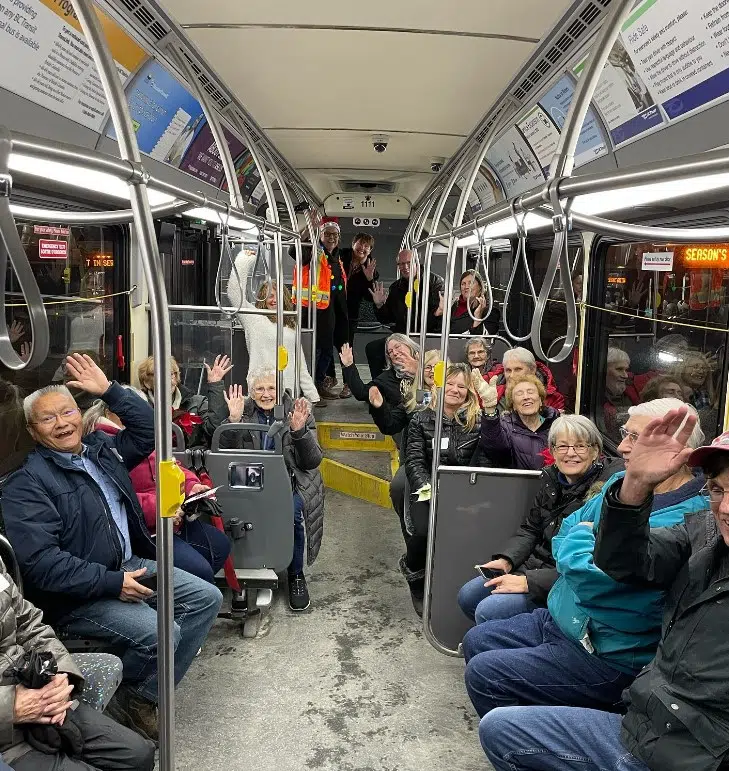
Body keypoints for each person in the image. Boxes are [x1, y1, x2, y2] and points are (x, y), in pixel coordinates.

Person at [479, 406, 729, 771]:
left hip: (666, 725)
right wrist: (637, 484)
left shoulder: (691, 517)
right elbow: (610, 553)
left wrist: (566, 557)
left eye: (634, 438)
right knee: (484, 645)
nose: (725, 507)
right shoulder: (702, 533)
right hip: (646, 708)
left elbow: (598, 580)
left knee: (488, 664)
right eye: (718, 490)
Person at [2, 354, 223, 742]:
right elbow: (41, 564)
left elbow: (151, 429)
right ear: (33, 432)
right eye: (48, 419)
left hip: (128, 563)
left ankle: (140, 695)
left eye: (67, 412)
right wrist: (112, 582)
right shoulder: (27, 484)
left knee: (206, 598)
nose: (62, 423)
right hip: (78, 595)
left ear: (80, 415)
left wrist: (109, 390)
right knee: (162, 632)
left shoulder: (100, 451)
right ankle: (136, 698)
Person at [458, 415, 623, 624]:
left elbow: (593, 563)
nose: (570, 453)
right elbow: (531, 528)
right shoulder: (551, 481)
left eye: (580, 446)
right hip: (534, 567)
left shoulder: (606, 493)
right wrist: (507, 560)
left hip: (563, 580)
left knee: (489, 610)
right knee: (468, 596)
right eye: (562, 446)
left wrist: (530, 582)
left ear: (595, 452)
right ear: (552, 451)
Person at [0, 560, 155, 771]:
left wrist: (58, 674)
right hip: (8, 736)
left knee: (138, 755)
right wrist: (11, 707)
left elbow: (29, 624)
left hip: (34, 688)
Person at [82, 393, 231, 584]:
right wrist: (163, 507)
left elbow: (174, 467)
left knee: (219, 546)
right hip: (144, 532)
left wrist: (191, 487)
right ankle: (183, 594)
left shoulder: (143, 437)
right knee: (200, 572)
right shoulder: (102, 445)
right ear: (111, 412)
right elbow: (116, 497)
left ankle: (182, 590)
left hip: (171, 520)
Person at [218, 371, 324, 612]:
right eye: (259, 389)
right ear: (251, 392)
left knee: (292, 514)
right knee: (236, 516)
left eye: (271, 388)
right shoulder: (241, 410)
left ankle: (295, 574)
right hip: (249, 482)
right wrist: (233, 422)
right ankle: (244, 570)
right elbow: (224, 452)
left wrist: (299, 432)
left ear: (281, 390)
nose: (266, 394)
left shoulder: (298, 410)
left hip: (290, 481)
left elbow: (312, 461)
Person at [404, 363, 484, 614]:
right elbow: (415, 461)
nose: (455, 390)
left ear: (469, 392)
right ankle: (416, 578)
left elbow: (484, 460)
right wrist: (429, 491)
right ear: (440, 386)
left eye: (461, 386)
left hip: (465, 490)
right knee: (423, 532)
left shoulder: (478, 422)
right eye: (450, 384)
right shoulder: (421, 419)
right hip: (429, 488)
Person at [226, 246, 320, 404]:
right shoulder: (254, 318)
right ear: (262, 298)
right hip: (261, 391)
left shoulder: (290, 323)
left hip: (287, 393)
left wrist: (313, 396)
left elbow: (300, 365)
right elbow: (234, 294)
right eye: (269, 296)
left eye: (277, 296)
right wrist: (244, 260)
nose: (274, 300)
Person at [369, 348, 439, 544]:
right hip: (417, 460)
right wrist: (379, 407)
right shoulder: (415, 397)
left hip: (449, 460)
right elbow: (390, 425)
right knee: (399, 487)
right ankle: (410, 538)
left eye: (437, 367)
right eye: (428, 367)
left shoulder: (456, 393)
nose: (432, 371)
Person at [290, 220, 348, 400]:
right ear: (320, 235)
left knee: (326, 350)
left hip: (329, 312)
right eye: (327, 234)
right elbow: (294, 250)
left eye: (334, 234)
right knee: (311, 351)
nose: (331, 238)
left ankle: (319, 384)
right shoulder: (312, 250)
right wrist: (309, 228)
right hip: (309, 311)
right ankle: (308, 389)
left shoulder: (337, 256)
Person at [365, 249, 444, 379]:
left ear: (417, 262)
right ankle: (381, 385)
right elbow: (387, 319)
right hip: (402, 335)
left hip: (426, 336)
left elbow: (438, 318)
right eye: (401, 264)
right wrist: (379, 305)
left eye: (409, 262)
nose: (405, 267)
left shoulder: (435, 282)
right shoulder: (396, 287)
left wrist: (437, 313)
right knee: (373, 348)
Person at [137, 354, 229, 449]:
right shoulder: (139, 407)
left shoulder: (197, 403)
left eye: (171, 374)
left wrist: (215, 385)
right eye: (160, 375)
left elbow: (215, 432)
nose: (168, 380)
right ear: (146, 383)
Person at [330, 232, 378, 398]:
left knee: (345, 347)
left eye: (367, 246)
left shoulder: (371, 269)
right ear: (353, 244)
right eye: (360, 243)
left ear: (370, 250)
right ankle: (329, 378)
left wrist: (368, 279)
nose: (362, 248)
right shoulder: (340, 255)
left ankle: (348, 383)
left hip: (350, 315)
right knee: (325, 344)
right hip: (330, 308)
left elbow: (369, 299)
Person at [479, 374, 560, 470]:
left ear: (540, 400)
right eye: (519, 394)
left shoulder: (557, 425)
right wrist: (490, 409)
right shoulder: (505, 426)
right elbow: (495, 450)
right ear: (513, 405)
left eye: (530, 392)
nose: (526, 397)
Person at [340, 334, 420, 407]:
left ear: (409, 345)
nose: (395, 353)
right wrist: (349, 365)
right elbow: (362, 392)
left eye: (397, 347)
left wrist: (418, 370)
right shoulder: (389, 377)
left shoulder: (426, 361)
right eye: (390, 352)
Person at [484, 347, 565, 412]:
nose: (512, 375)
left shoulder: (554, 398)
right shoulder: (491, 391)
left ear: (532, 370)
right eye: (508, 370)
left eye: (518, 369)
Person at [450, 270, 500, 336]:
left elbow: (486, 339)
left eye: (471, 283)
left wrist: (477, 318)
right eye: (463, 284)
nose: (466, 287)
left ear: (480, 287)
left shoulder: (490, 311)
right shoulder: (454, 307)